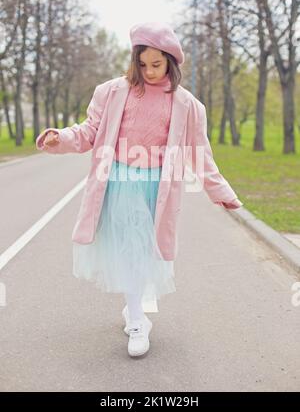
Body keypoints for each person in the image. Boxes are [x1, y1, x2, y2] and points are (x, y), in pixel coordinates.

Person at [36, 21, 243, 358]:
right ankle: (136, 320)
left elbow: (199, 153)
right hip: (120, 184)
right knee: (132, 250)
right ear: (134, 60)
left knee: (146, 254)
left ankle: (134, 308)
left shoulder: (188, 105)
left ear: (171, 62)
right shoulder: (112, 92)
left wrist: (220, 191)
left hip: (158, 189)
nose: (149, 70)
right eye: (142, 63)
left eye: (156, 64)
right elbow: (88, 131)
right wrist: (61, 136)